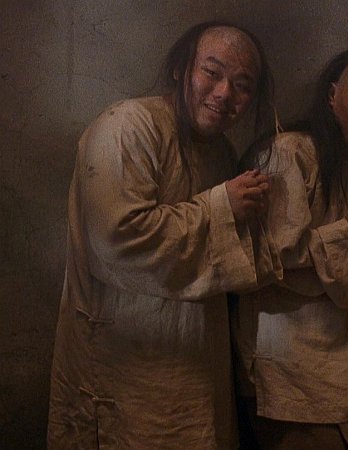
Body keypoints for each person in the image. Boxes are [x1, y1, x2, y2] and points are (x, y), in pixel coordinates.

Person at [47, 21, 274, 448]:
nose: (224, 93)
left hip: (194, 365)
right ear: (180, 69)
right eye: (212, 72)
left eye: (242, 86)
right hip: (124, 368)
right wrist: (221, 205)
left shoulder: (222, 152)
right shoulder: (127, 125)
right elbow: (118, 238)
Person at [232, 48, 348, 450]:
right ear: (332, 94)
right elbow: (272, 256)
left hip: (331, 355)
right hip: (285, 355)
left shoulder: (347, 162)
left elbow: (338, 268)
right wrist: (347, 229)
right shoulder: (287, 152)